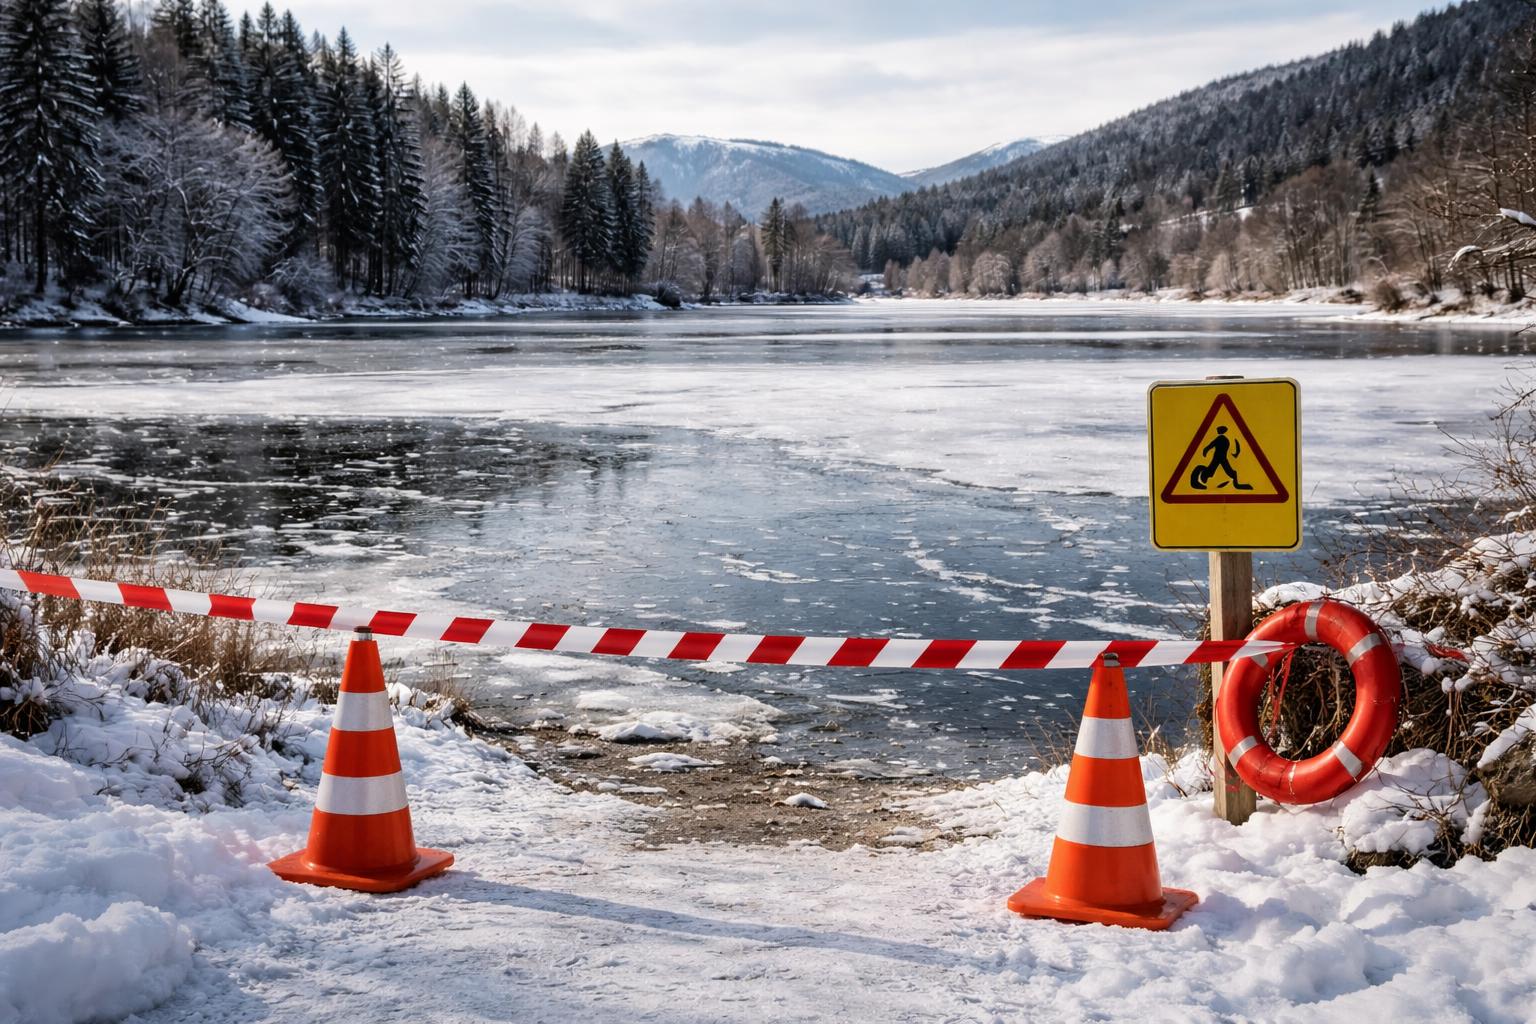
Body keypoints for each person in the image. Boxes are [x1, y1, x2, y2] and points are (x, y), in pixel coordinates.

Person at [1190, 426, 1253, 490]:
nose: (1217, 430)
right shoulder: (1226, 439)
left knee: (1216, 470)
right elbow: (1213, 445)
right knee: (1224, 470)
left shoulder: (1220, 438)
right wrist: (1206, 449)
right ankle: (1235, 481)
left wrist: (1206, 449)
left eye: (1218, 429)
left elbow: (1212, 444)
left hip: (1219, 457)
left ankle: (1205, 476)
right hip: (1221, 457)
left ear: (1221, 431)